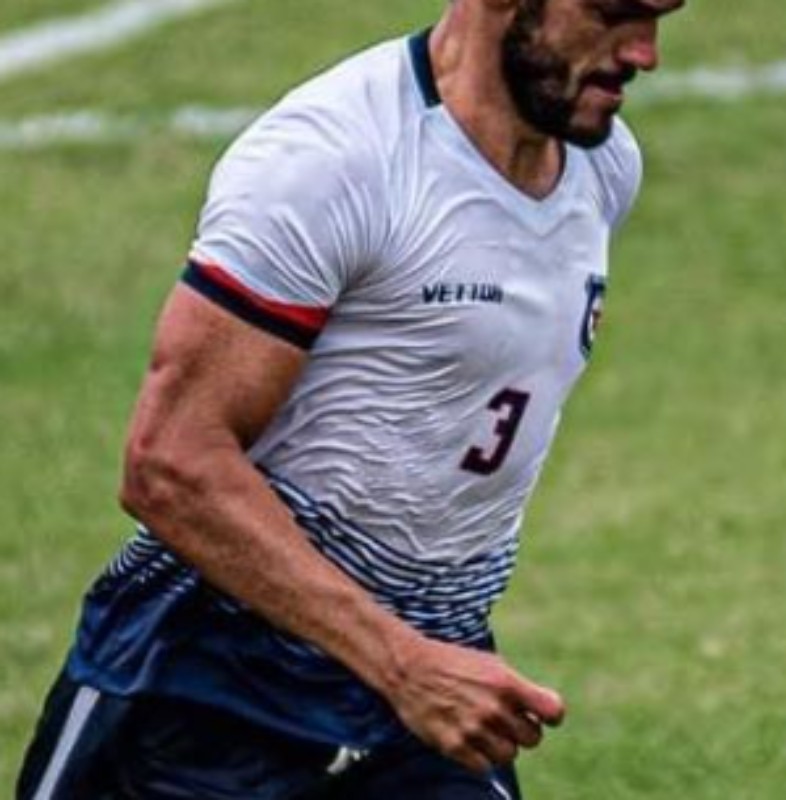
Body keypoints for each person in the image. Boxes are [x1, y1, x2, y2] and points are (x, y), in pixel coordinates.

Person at [18, 0, 685, 797]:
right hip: (202, 695)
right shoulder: (332, 162)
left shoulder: (602, 169)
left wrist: (414, 666)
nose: (645, 53)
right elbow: (170, 463)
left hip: (422, 686)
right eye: (615, 13)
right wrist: (403, 665)